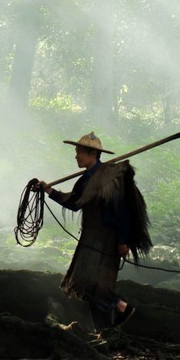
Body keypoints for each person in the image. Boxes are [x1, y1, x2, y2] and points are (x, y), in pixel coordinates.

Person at [33, 132, 150, 333]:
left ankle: (121, 307)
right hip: (90, 236)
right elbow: (73, 203)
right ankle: (103, 331)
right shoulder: (84, 180)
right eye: (76, 152)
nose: (76, 156)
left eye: (80, 153)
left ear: (93, 153)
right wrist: (48, 190)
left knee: (95, 284)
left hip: (107, 238)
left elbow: (123, 212)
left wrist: (122, 241)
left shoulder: (109, 176)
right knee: (88, 286)